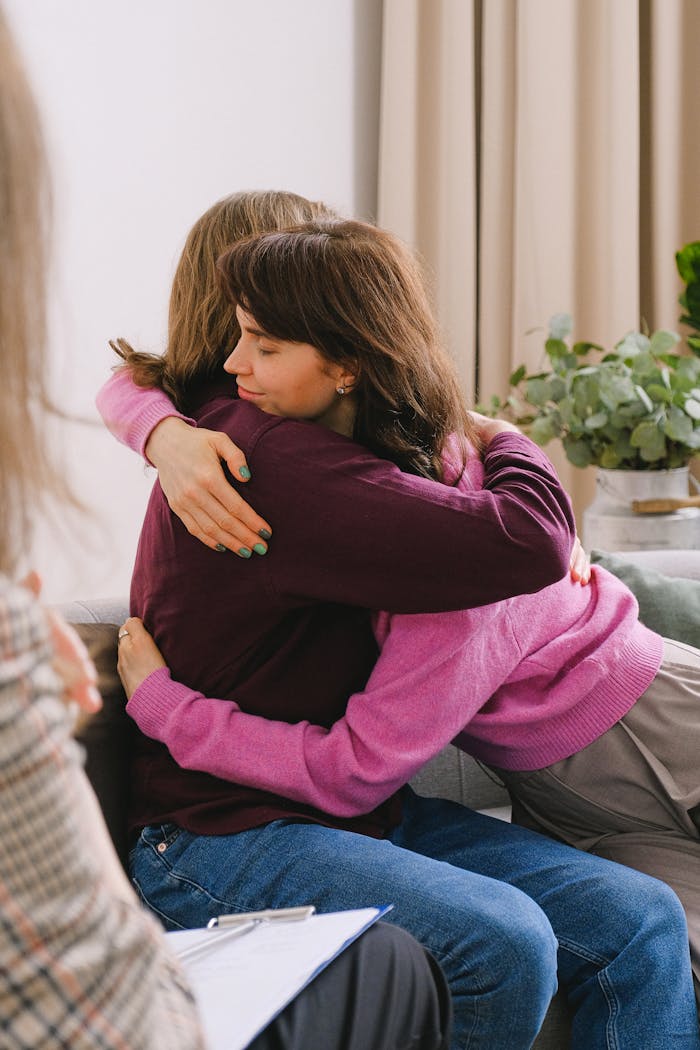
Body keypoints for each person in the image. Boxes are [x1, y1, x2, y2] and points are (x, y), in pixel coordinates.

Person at [99, 210, 700, 1049]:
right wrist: (501, 435)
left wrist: (153, 425)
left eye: (266, 341)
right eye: (244, 334)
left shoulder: (354, 457)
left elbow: (506, 536)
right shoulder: (265, 460)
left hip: (364, 814)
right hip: (219, 837)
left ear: (348, 353)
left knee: (637, 916)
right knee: (506, 937)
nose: (240, 364)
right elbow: (529, 538)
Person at [0, 12, 454, 1050]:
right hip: (236, 826)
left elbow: (134, 379)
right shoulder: (266, 451)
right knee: (444, 951)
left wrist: (156, 427)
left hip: (280, 812)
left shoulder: (233, 433)